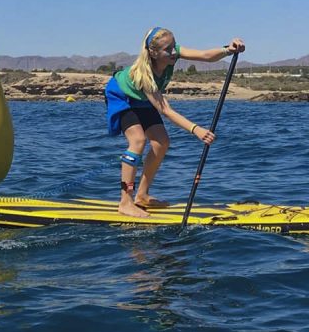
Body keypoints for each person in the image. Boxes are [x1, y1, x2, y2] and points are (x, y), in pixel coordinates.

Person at [105, 27, 245, 217]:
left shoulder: (173, 52)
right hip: (121, 96)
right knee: (138, 141)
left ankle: (142, 195)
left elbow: (204, 55)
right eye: (167, 49)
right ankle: (125, 201)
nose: (173, 52)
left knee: (162, 142)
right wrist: (195, 129)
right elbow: (165, 109)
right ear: (153, 52)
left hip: (143, 101)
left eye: (173, 46)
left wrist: (227, 50)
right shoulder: (144, 75)